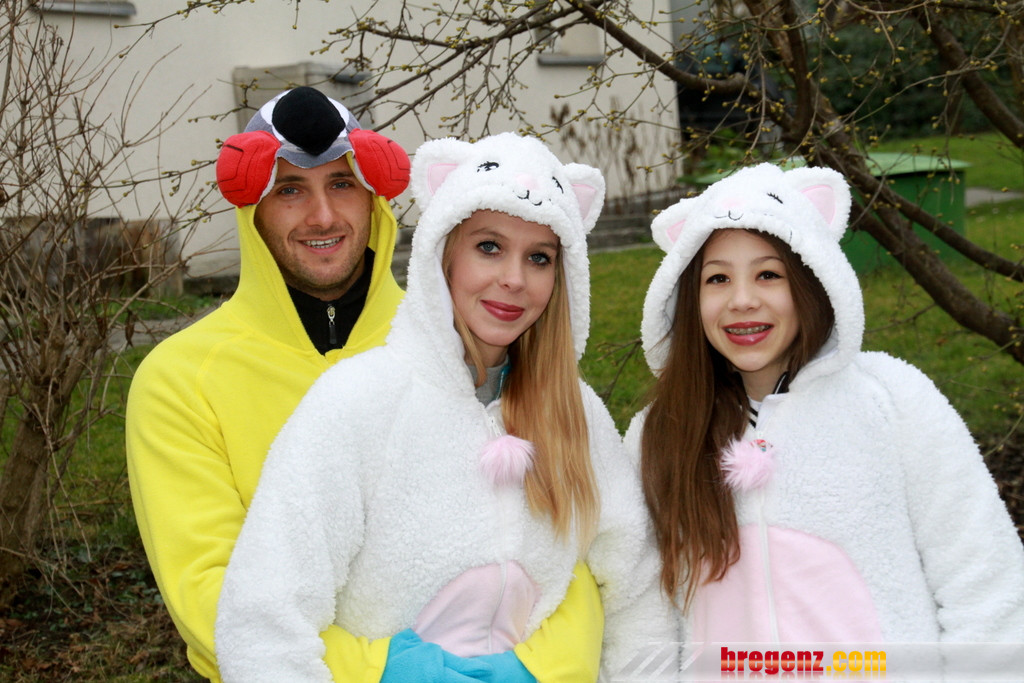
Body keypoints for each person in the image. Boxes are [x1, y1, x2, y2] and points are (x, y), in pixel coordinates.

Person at [126, 88, 602, 682]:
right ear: (253, 210)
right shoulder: (179, 380)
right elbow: (215, 594)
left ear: (376, 199)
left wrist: (535, 668)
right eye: (290, 189)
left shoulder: (457, 338)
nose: (323, 216)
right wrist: (388, 670)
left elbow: (565, 541)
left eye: (342, 183)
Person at [214, 132, 671, 682]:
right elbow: (262, 621)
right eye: (489, 247)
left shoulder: (576, 415)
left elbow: (637, 591)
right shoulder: (357, 403)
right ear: (444, 254)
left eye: (539, 257)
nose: (514, 279)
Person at [626, 163, 1024, 646]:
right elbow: (643, 615)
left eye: (768, 274)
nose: (742, 300)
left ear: (812, 281)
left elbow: (985, 586)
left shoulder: (893, 401)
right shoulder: (661, 431)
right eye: (718, 279)